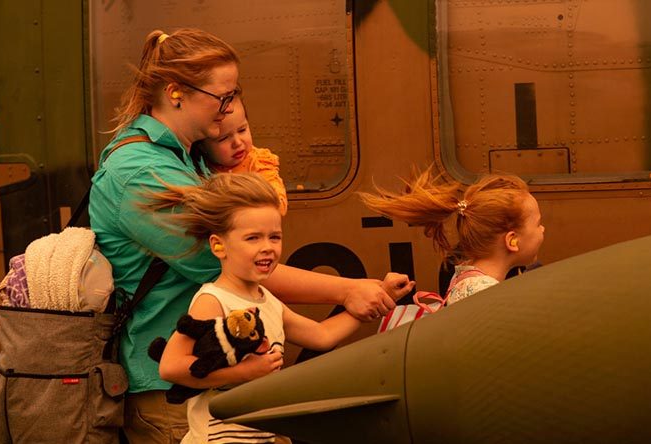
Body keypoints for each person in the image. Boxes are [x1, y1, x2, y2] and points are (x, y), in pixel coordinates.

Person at [89, 28, 414, 443]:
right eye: (221, 98)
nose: (228, 111)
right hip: (174, 400)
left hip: (209, 389)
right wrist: (347, 290)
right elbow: (233, 265)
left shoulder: (183, 159)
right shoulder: (143, 173)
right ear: (175, 92)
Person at [149, 173, 361, 443]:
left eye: (274, 237)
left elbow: (321, 335)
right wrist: (244, 373)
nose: (267, 248)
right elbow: (171, 366)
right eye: (253, 238)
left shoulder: (267, 300)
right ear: (218, 245)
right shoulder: (213, 300)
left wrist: (374, 302)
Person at [360, 169, 544, 304]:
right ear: (512, 240)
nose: (542, 230)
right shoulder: (491, 298)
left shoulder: (466, 279)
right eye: (537, 224)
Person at [195, 96, 288, 215]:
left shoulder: (259, 163)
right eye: (223, 138)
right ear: (202, 146)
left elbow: (277, 205)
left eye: (242, 130)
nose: (237, 143)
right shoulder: (200, 167)